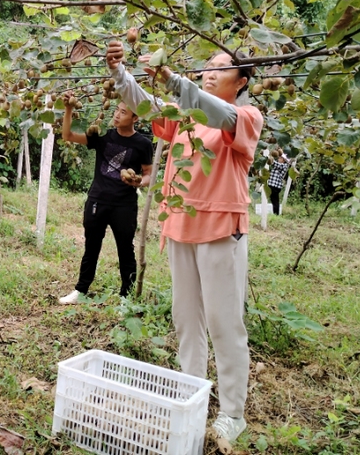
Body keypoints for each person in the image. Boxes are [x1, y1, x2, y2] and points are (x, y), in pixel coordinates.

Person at [105, 40, 263, 443]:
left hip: (220, 227)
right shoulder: (185, 116)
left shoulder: (243, 115)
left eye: (221, 68)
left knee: (224, 323)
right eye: (206, 65)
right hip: (180, 224)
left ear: (242, 81)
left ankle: (232, 413)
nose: (209, 71)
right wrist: (122, 74)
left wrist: (173, 81)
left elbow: (220, 114)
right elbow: (148, 107)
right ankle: (190, 393)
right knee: (186, 319)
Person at [58, 93, 153, 305]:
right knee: (91, 246)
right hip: (97, 200)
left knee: (125, 250)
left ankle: (125, 298)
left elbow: (148, 173)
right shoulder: (103, 136)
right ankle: (80, 291)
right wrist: (68, 109)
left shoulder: (143, 144)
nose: (117, 115)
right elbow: (68, 135)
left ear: (135, 118)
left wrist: (139, 182)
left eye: (123, 112)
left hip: (124, 205)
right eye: (116, 110)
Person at [268, 149, 289, 215]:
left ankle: (276, 213)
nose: (279, 159)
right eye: (279, 158)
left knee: (274, 200)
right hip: (273, 185)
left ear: (283, 160)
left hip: (275, 186)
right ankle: (276, 213)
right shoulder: (280, 165)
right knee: (274, 200)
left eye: (280, 158)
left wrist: (269, 157)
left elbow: (275, 164)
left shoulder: (283, 166)